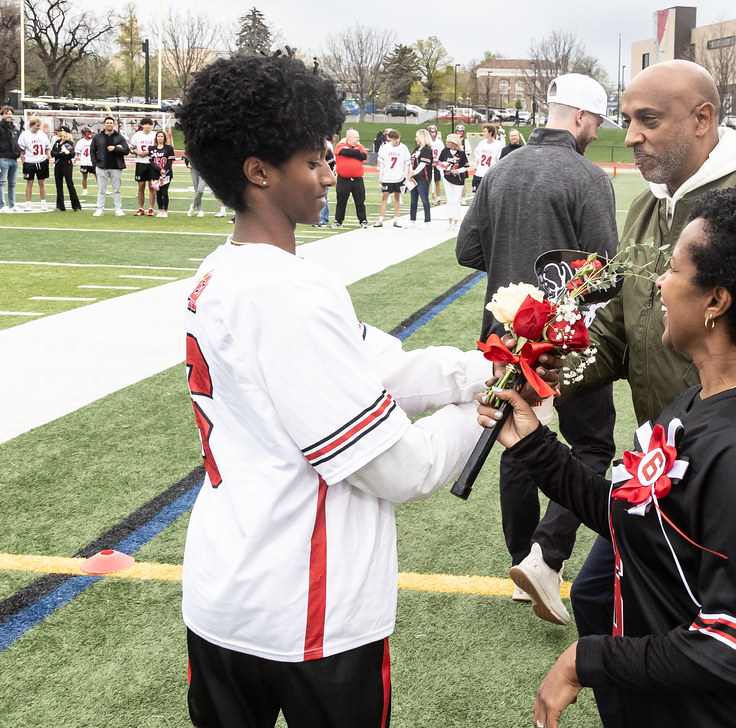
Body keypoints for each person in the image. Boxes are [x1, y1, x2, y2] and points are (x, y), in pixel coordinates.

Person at [175, 52, 516, 728]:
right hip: (305, 609)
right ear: (258, 172)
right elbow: (399, 469)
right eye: (312, 161)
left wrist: (486, 366)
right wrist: (482, 414)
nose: (329, 174)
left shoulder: (223, 272)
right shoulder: (286, 291)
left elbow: (378, 367)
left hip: (227, 586)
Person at [478, 178, 736, 728]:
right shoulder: (703, 400)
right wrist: (534, 445)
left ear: (716, 302)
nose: (657, 284)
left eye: (673, 270)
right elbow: (633, 521)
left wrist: (587, 658)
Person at [560, 59, 736, 728]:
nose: (628, 135)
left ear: (702, 119)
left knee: (705, 647)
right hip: (664, 474)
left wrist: (732, 468)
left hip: (706, 494)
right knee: (602, 598)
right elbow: (617, 329)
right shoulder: (643, 209)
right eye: (626, 118)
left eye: (647, 120)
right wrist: (542, 378)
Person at [457, 73, 619, 627]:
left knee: (517, 439)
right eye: (596, 123)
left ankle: (520, 561)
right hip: (566, 337)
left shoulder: (500, 168)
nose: (596, 133)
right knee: (593, 443)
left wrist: (514, 275)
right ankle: (545, 556)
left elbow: (467, 249)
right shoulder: (588, 177)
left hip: (506, 333)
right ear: (579, 117)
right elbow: (606, 274)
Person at [91, 115, 129, 217]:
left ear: (114, 125)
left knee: (116, 190)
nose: (109, 124)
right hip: (102, 166)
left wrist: (115, 148)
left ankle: (118, 209)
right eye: (107, 123)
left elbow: (126, 150)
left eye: (111, 123)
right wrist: (95, 164)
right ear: (104, 124)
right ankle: (99, 209)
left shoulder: (119, 137)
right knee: (101, 190)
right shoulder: (97, 137)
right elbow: (92, 151)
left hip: (116, 166)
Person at [333, 128, 369, 229]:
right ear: (349, 138)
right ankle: (338, 221)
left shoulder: (360, 146)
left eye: (358, 137)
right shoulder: (340, 145)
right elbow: (343, 152)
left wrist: (352, 152)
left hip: (357, 179)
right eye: (356, 137)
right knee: (341, 201)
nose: (358, 139)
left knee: (360, 201)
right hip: (344, 179)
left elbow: (363, 156)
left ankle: (363, 220)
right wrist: (355, 152)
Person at [373, 129, 409, 228]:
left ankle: (396, 219)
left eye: (397, 139)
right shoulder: (385, 148)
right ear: (390, 139)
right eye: (394, 139)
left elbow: (407, 163)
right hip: (387, 177)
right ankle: (380, 219)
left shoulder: (403, 148)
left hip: (399, 177)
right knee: (384, 197)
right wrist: (381, 178)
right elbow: (382, 164)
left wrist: (405, 176)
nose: (396, 141)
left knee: (397, 198)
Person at [437, 133, 469, 231]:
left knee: (456, 200)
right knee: (449, 200)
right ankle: (450, 220)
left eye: (449, 141)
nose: (447, 143)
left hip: (458, 180)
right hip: (447, 178)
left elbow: (466, 166)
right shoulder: (445, 151)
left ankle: (456, 220)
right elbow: (438, 164)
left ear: (454, 143)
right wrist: (443, 166)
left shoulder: (461, 153)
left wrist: (458, 171)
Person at [18, 116, 50, 211]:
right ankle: (28, 204)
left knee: (42, 183)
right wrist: (24, 162)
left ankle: (43, 203)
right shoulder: (24, 135)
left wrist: (47, 156)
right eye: (37, 125)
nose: (39, 127)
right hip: (29, 162)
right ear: (31, 125)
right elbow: (21, 151)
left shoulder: (42, 134)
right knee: (29, 183)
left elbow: (47, 147)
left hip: (41, 161)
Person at [130, 117, 157, 216]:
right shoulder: (137, 135)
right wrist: (138, 152)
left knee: (152, 186)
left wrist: (148, 152)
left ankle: (151, 208)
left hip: (152, 163)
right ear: (142, 125)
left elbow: (159, 147)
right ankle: (141, 208)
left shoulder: (154, 135)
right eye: (145, 124)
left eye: (149, 124)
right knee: (141, 186)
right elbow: (132, 147)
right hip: (140, 162)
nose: (147, 126)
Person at [50, 125, 81, 212]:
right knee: (58, 185)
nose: (57, 132)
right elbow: (53, 153)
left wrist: (59, 154)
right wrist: (61, 154)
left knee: (70, 184)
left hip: (66, 165)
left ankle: (76, 206)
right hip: (58, 165)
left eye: (59, 131)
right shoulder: (57, 142)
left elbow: (70, 154)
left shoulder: (69, 143)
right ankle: (60, 205)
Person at [407, 129, 433, 229]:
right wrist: (410, 172)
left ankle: (427, 221)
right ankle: (412, 220)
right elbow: (411, 161)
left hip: (423, 177)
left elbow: (423, 163)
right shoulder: (417, 148)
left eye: (418, 137)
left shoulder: (427, 149)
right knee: (413, 200)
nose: (416, 139)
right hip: (414, 177)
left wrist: (414, 172)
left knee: (424, 199)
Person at [470, 123, 503, 194]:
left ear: (490, 133)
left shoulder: (498, 144)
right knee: (477, 195)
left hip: (489, 174)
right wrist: (475, 167)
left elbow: (498, 160)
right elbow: (477, 157)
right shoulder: (482, 143)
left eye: (485, 131)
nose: (483, 133)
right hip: (479, 173)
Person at [149, 129, 175, 217]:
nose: (160, 138)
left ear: (164, 138)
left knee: (164, 192)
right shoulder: (152, 148)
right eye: (158, 136)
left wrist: (165, 170)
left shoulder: (169, 148)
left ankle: (165, 210)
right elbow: (152, 162)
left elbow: (170, 160)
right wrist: (159, 170)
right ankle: (160, 210)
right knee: (158, 193)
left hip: (166, 173)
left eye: (162, 136)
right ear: (156, 138)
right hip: (156, 173)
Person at [0, 105, 20, 212]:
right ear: (2, 115)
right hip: (3, 158)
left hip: (14, 159)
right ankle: (2, 205)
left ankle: (12, 205)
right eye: (6, 113)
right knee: (1, 182)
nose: (9, 115)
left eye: (10, 113)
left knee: (12, 184)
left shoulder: (14, 128)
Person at [426, 124, 445, 205]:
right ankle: (427, 198)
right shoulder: (427, 142)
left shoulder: (439, 142)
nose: (432, 133)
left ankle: (438, 197)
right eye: (431, 132)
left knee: (437, 181)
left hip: (437, 164)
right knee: (428, 181)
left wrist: (438, 161)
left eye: (434, 132)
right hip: (428, 163)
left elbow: (442, 153)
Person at [455, 124, 472, 204]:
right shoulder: (453, 140)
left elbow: (468, 153)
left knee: (463, 181)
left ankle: (463, 198)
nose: (459, 133)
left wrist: (464, 162)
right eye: (458, 131)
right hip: (454, 163)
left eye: (461, 131)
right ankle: (456, 198)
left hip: (462, 164)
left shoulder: (465, 142)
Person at [74, 127, 95, 193]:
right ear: (83, 134)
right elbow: (77, 152)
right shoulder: (80, 142)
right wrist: (75, 160)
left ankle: (102, 189)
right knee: (84, 176)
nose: (90, 134)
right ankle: (85, 190)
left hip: (92, 161)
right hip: (84, 162)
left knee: (98, 176)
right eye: (88, 132)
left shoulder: (93, 141)